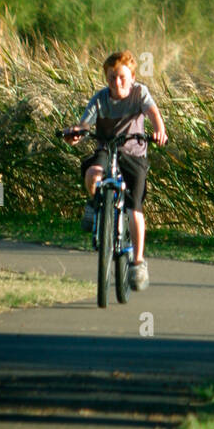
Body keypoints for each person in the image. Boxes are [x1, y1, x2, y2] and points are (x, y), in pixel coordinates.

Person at [63, 50, 167, 291]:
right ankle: (94, 203)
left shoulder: (140, 93)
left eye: (121, 77)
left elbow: (153, 113)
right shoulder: (100, 98)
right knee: (92, 174)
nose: (116, 82)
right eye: (111, 77)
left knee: (134, 209)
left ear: (132, 77)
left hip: (134, 154)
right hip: (107, 149)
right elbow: (84, 124)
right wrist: (75, 134)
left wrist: (159, 130)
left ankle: (138, 263)